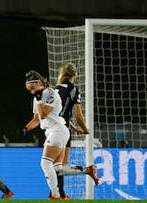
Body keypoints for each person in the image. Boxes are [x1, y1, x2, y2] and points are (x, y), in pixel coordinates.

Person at [19, 70, 69, 200]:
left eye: (32, 88)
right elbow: (37, 120)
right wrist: (25, 128)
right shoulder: (37, 98)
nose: (31, 91)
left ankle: (55, 195)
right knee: (58, 168)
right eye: (29, 90)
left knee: (45, 164)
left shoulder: (50, 93)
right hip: (53, 132)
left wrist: (39, 99)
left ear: (39, 82)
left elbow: (43, 114)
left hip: (57, 130)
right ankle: (87, 170)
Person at [53, 63, 99, 199]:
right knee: (59, 165)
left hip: (54, 128)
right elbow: (79, 115)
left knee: (55, 165)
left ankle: (58, 195)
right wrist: (85, 130)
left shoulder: (56, 89)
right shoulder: (73, 89)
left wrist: (73, 126)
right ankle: (87, 170)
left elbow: (58, 112)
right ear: (75, 74)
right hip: (63, 130)